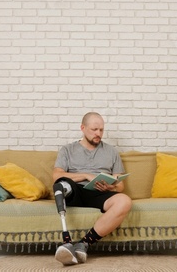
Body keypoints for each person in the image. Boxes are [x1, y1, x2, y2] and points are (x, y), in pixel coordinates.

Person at [52, 112, 132, 265]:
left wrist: (111, 187)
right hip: (74, 190)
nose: (98, 134)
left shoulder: (111, 151)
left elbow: (120, 185)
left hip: (100, 193)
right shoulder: (68, 149)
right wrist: (86, 176)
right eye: (94, 129)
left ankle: (83, 244)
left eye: (101, 130)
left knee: (125, 201)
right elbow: (56, 175)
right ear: (83, 128)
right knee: (61, 184)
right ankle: (66, 239)